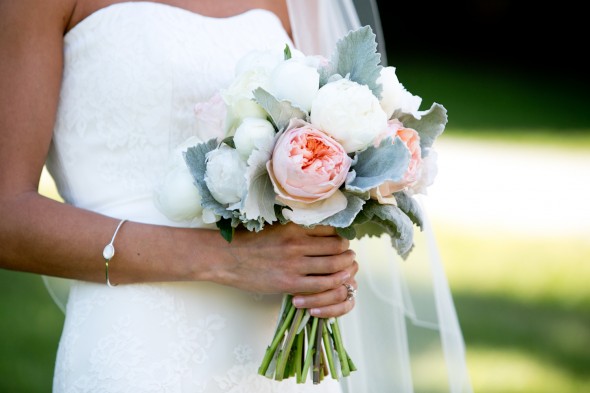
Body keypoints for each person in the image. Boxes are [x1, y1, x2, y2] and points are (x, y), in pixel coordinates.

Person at [0, 0, 473, 392]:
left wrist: (320, 260)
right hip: (138, 350)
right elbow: (7, 217)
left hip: (280, 352)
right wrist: (226, 260)